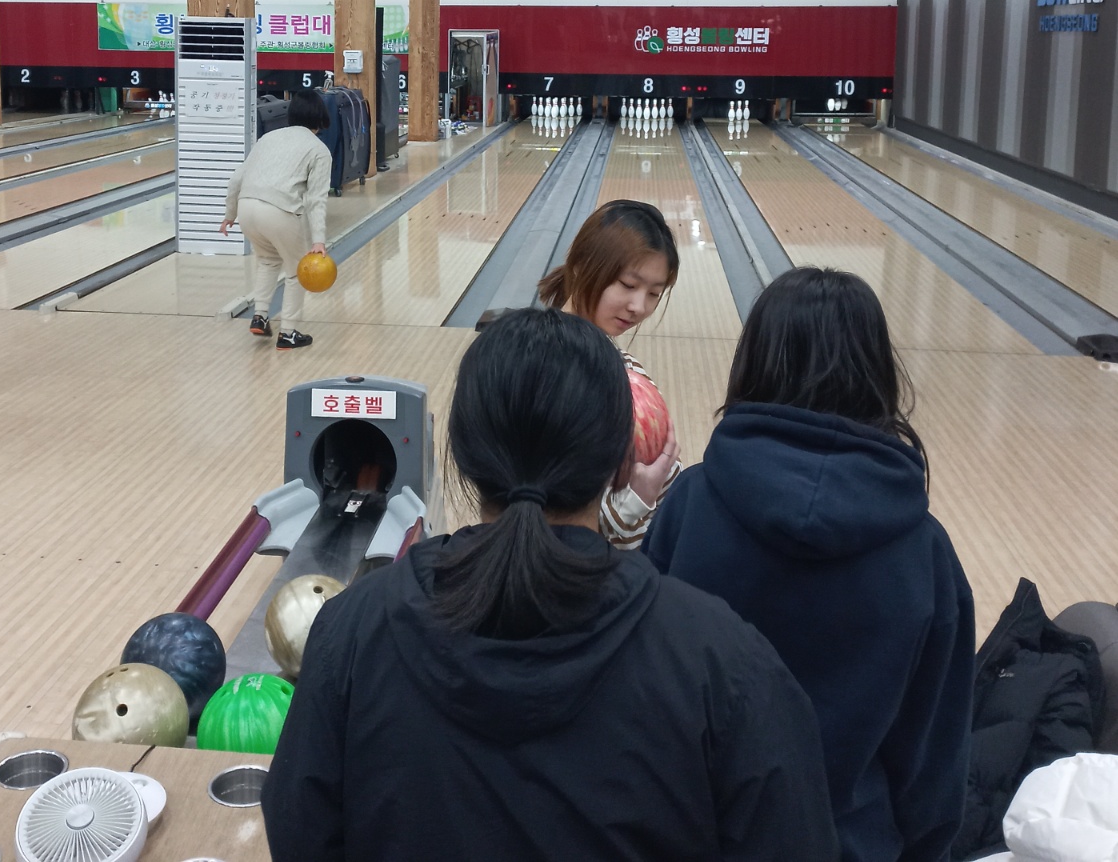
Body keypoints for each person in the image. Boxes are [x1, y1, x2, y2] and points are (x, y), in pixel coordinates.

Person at [262, 308, 840, 862]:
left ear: (461, 458)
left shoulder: (352, 631)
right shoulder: (727, 663)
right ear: (620, 464)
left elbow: (301, 833)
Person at [643, 267, 975, 862]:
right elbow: (932, 763)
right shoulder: (927, 554)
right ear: (877, 375)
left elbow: (641, 699)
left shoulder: (687, 506)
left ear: (754, 363)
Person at [538, 199, 682, 549]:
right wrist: (640, 496)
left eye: (653, 294)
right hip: (581, 576)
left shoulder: (623, 365)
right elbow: (554, 521)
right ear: (583, 266)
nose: (639, 307)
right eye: (627, 284)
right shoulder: (546, 373)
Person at [220, 90, 332, 350]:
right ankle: (289, 333)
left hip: (247, 208)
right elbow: (316, 199)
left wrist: (230, 215)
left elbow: (236, 179)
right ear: (320, 117)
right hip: (279, 211)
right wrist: (319, 240)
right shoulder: (319, 149)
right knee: (297, 272)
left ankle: (260, 316)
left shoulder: (268, 137)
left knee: (268, 261)